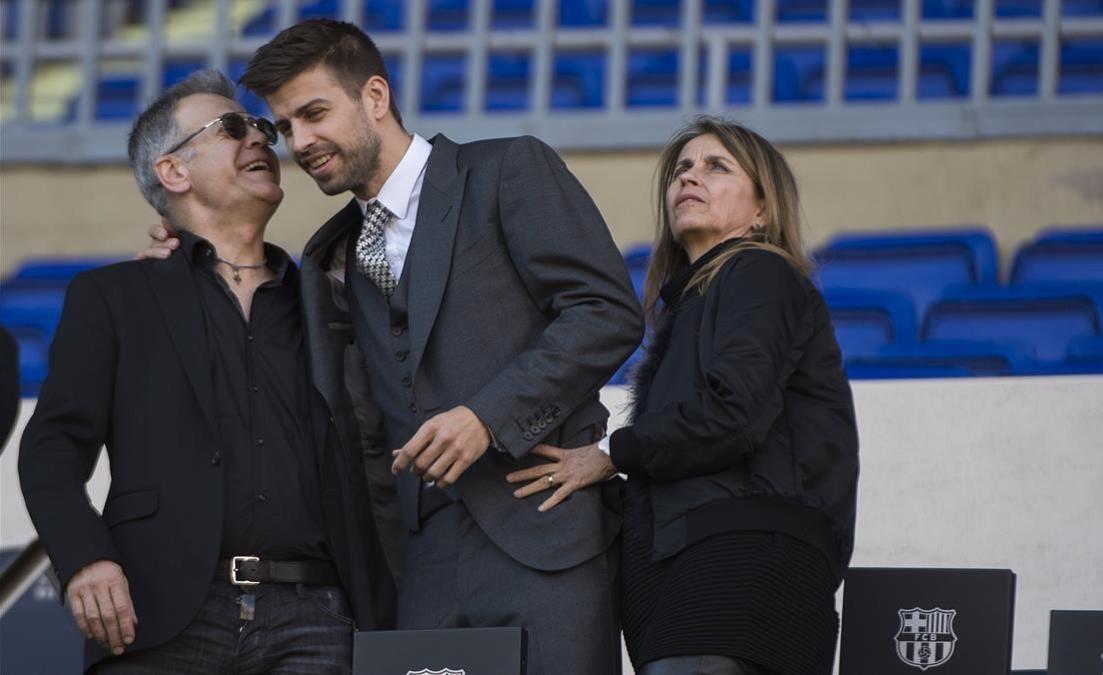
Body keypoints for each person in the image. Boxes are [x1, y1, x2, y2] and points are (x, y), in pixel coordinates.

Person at [145, 19, 643, 675]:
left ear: (375, 97)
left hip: (543, 534)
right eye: (287, 125)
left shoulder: (505, 169)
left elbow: (606, 311)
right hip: (423, 562)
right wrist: (185, 265)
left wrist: (486, 416)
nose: (300, 141)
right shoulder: (329, 253)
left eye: (315, 113)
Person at [19, 70, 393, 673]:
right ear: (174, 172)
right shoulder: (115, 296)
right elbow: (51, 450)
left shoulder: (332, 301)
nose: (261, 140)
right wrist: (85, 559)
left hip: (318, 618)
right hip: (157, 613)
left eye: (261, 129)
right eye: (233, 128)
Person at [509, 117, 860, 675]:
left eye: (716, 167)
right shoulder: (695, 303)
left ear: (763, 211)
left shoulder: (759, 271)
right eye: (681, 170)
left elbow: (732, 413)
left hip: (740, 567)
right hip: (692, 572)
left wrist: (609, 457)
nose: (689, 178)